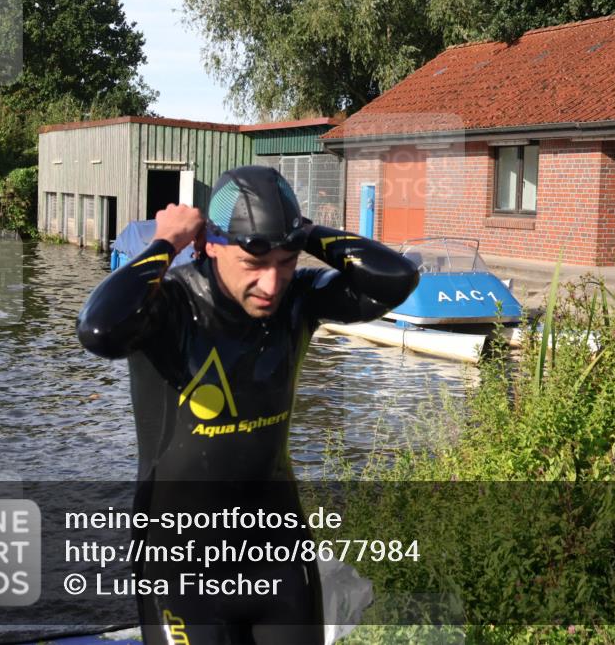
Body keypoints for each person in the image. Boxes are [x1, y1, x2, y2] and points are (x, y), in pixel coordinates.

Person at [77, 165, 418, 644]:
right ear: (212, 245)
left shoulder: (298, 301)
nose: (271, 284)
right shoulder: (169, 305)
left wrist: (304, 233)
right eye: (253, 264)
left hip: (279, 556)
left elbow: (397, 279)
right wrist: (166, 242)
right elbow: (98, 330)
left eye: (285, 262)